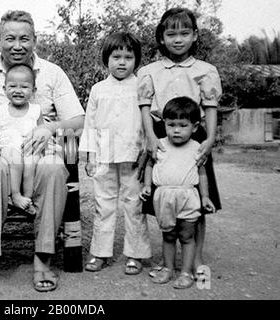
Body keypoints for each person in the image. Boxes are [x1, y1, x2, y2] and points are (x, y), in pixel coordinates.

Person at [0, 10, 85, 293]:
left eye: (24, 38)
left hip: (41, 151)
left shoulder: (52, 73)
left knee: (53, 168)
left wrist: (50, 128)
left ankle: (42, 258)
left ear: (35, 40)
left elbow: (79, 120)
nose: (17, 45)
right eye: (10, 38)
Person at [137, 7, 222, 281]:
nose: (178, 39)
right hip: (162, 132)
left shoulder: (205, 70)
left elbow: (209, 107)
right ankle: (168, 261)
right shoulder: (149, 71)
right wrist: (150, 137)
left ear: (195, 36)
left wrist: (208, 139)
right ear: (161, 38)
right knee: (165, 198)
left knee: (195, 198)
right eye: (171, 34)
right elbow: (144, 106)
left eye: (185, 33)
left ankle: (196, 259)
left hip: (194, 135)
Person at [79, 32, 151, 275]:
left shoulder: (142, 86)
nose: (122, 62)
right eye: (116, 56)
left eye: (128, 57)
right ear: (106, 59)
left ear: (136, 60)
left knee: (134, 206)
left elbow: (150, 120)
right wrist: (89, 156)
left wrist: (147, 150)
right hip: (104, 155)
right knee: (104, 205)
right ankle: (99, 253)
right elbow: (89, 123)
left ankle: (135, 254)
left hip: (134, 155)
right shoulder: (98, 89)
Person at [140, 97, 215, 289]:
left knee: (187, 236)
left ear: (195, 126)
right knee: (169, 235)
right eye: (171, 124)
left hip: (188, 197)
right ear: (164, 124)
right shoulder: (159, 145)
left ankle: (186, 272)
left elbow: (202, 173)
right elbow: (149, 164)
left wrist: (205, 196)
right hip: (164, 198)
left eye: (183, 125)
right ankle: (168, 268)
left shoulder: (197, 148)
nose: (176, 130)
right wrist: (147, 186)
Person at [0, 64, 43, 214]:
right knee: (15, 160)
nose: (18, 91)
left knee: (31, 163)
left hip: (28, 147)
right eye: (12, 86)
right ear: (4, 89)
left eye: (24, 87)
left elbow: (42, 131)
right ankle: (15, 195)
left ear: (33, 91)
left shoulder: (35, 110)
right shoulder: (1, 111)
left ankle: (28, 198)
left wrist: (41, 145)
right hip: (9, 148)